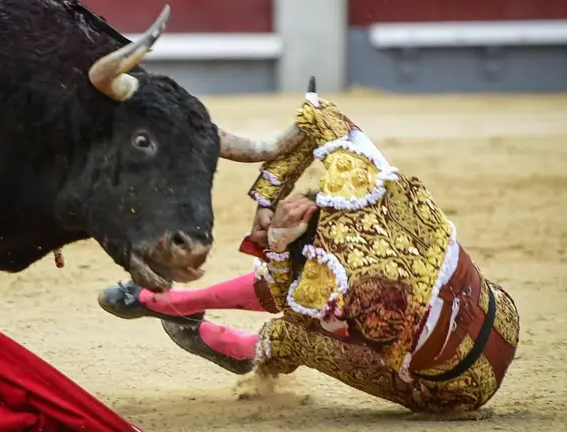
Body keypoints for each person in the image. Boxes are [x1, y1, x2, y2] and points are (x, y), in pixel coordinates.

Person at [97, 84, 520, 414]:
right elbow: (320, 113)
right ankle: (178, 303)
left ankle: (210, 332)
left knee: (289, 337)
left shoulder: (336, 287)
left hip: (455, 392)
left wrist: (277, 244)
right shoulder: (357, 186)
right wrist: (268, 204)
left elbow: (288, 308)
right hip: (503, 320)